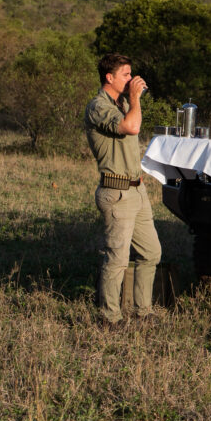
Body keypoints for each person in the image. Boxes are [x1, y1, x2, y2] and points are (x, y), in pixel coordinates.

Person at [85, 53, 161, 327]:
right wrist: (136, 99)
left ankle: (143, 311)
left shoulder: (123, 103)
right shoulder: (98, 106)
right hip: (116, 192)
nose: (131, 79)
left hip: (137, 191)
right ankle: (109, 317)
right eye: (126, 74)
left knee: (151, 252)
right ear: (110, 77)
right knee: (117, 258)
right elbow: (131, 126)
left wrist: (132, 100)